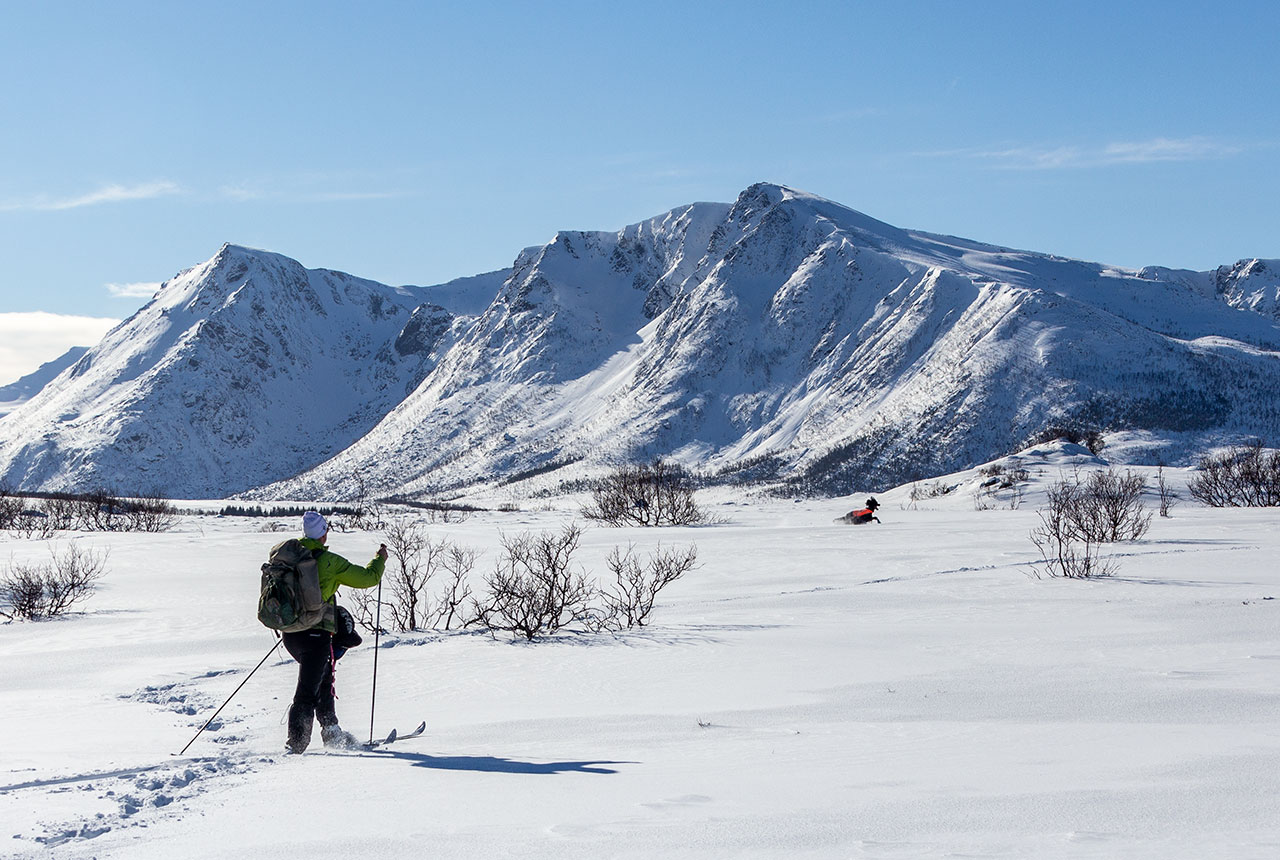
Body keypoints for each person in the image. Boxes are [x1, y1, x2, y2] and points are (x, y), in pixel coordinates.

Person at [282, 510, 388, 754]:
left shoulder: (290, 556)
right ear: (323, 534)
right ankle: (295, 746)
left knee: (323, 677)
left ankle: (332, 732)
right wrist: (380, 559)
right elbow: (368, 578)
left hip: (290, 633)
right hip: (315, 635)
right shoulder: (329, 562)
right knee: (308, 691)